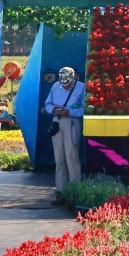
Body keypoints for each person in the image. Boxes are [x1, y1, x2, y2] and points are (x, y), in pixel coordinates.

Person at [45, 66, 85, 206]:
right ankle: (60, 192)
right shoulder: (56, 86)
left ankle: (75, 192)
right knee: (59, 158)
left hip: (72, 122)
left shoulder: (82, 87)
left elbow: (84, 108)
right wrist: (53, 109)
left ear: (73, 78)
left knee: (71, 157)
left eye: (67, 83)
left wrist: (70, 112)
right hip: (57, 122)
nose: (65, 86)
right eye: (63, 84)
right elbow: (47, 103)